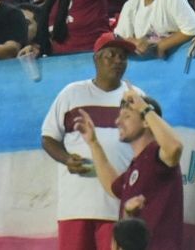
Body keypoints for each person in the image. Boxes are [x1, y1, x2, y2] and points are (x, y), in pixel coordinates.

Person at [41, 33, 135, 250]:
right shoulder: (72, 93)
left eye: (123, 56)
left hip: (118, 206)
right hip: (76, 205)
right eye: (111, 55)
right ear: (96, 59)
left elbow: (146, 145)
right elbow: (48, 137)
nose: (118, 61)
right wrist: (66, 159)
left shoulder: (134, 97)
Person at [78, 91, 184, 250]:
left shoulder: (157, 156)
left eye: (126, 116)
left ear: (146, 122)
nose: (117, 121)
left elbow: (175, 147)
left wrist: (144, 108)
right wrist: (93, 143)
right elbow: (113, 186)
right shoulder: (137, 164)